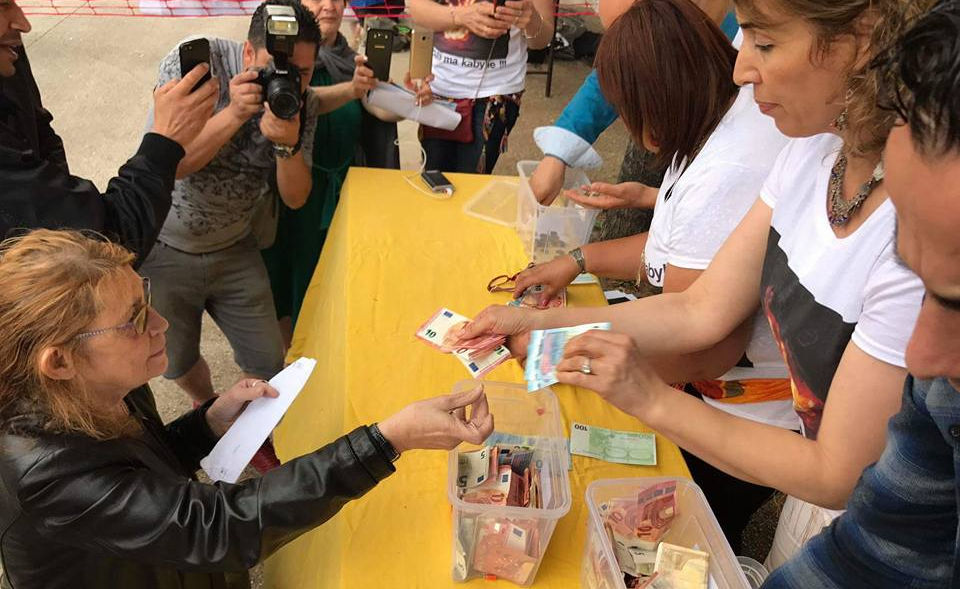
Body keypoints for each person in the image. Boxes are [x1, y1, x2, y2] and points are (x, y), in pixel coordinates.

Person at [458, 0, 931, 564]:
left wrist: (649, 398)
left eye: (766, 43)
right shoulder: (810, 147)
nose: (740, 68)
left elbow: (836, 472)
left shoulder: (914, 232)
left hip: (882, 529)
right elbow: (700, 306)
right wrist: (539, 321)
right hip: (816, 490)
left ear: (865, 37)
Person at [0, 229, 495, 589]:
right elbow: (219, 527)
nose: (161, 322)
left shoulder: (94, 384)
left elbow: (139, 468)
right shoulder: (48, 477)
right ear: (59, 361)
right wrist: (387, 440)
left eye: (144, 297)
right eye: (133, 320)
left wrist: (208, 423)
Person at [509, 0, 795, 552]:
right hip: (716, 395)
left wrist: (567, 351)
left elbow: (703, 347)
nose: (635, 133)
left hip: (740, 415)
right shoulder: (713, 126)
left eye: (629, 111)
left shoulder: (725, 169)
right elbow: (674, 255)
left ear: (657, 102)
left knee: (676, 544)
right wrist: (578, 261)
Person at [763, 4, 960, 586]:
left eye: (765, 42)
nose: (919, 359)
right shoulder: (940, 396)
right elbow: (877, 548)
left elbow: (837, 474)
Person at [140, 0, 325, 409]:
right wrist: (235, 113)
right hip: (165, 243)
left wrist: (285, 144)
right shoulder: (198, 65)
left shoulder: (301, 102)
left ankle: (248, 425)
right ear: (246, 53)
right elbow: (167, 166)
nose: (287, 80)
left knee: (267, 358)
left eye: (302, 73)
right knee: (176, 359)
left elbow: (296, 197)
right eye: (274, 66)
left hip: (237, 244)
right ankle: (207, 409)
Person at [261, 0, 434, 341]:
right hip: (293, 197)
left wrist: (411, 97)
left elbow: (378, 108)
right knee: (293, 283)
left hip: (345, 192)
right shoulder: (273, 60)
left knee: (344, 278)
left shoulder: (352, 57)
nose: (329, 6)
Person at [0, 0, 216, 263]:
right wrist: (164, 142)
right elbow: (103, 248)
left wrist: (62, 195)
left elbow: (39, 130)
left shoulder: (8, 59)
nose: (24, 24)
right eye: (1, 6)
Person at [407, 0, 554, 174]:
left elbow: (542, 39)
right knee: (434, 176)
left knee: (472, 181)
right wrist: (461, 15)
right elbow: (416, 9)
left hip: (495, 94)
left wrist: (531, 20)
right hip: (435, 88)